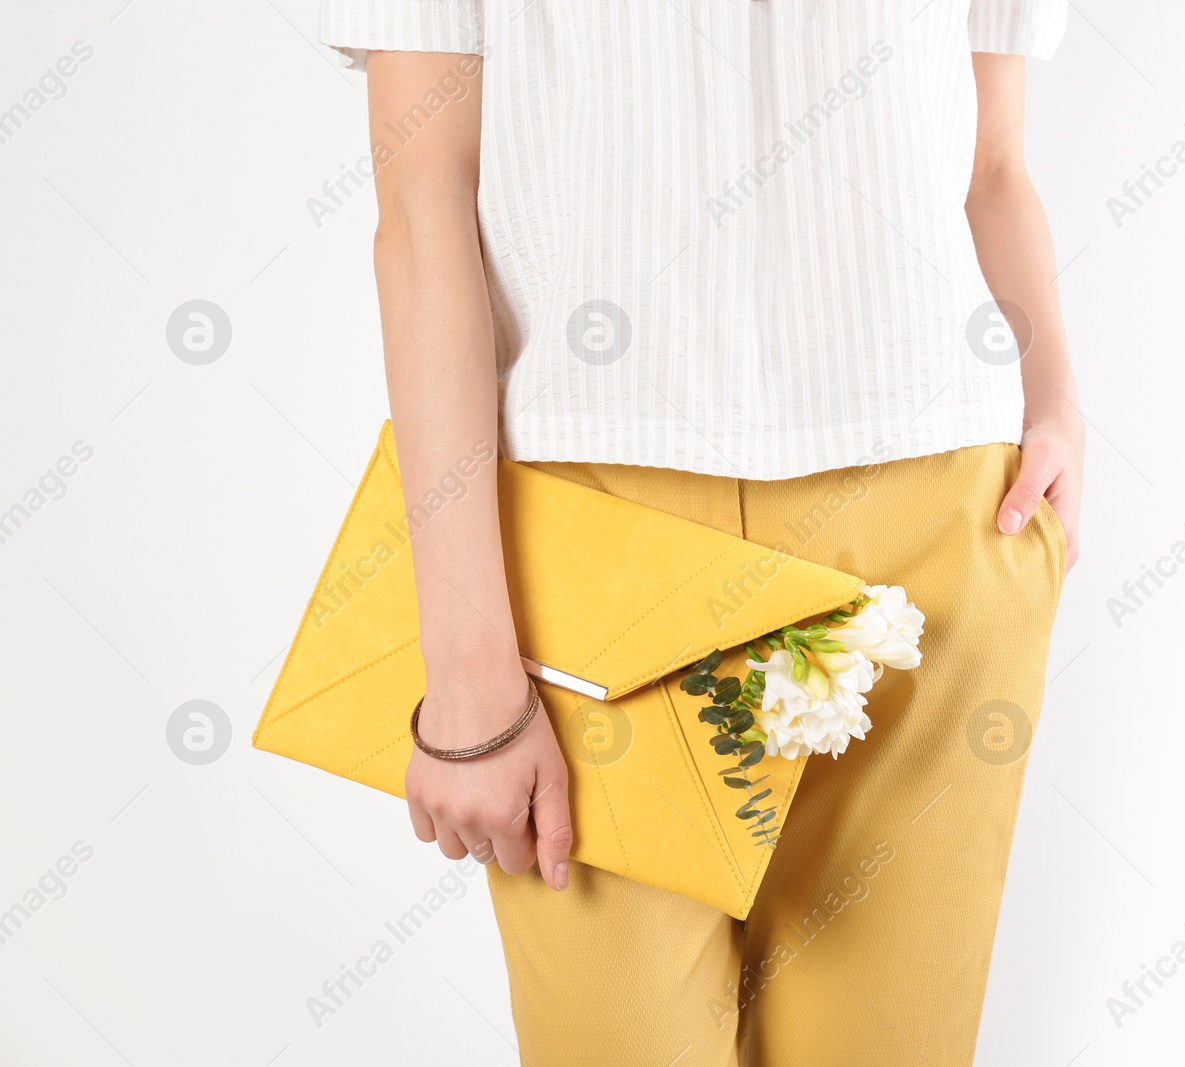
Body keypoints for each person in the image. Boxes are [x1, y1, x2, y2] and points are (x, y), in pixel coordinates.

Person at [323, 1, 1080, 1062]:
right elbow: (421, 205)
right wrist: (465, 672)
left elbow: (990, 165)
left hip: (938, 521)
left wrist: (1054, 403)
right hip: (594, 550)